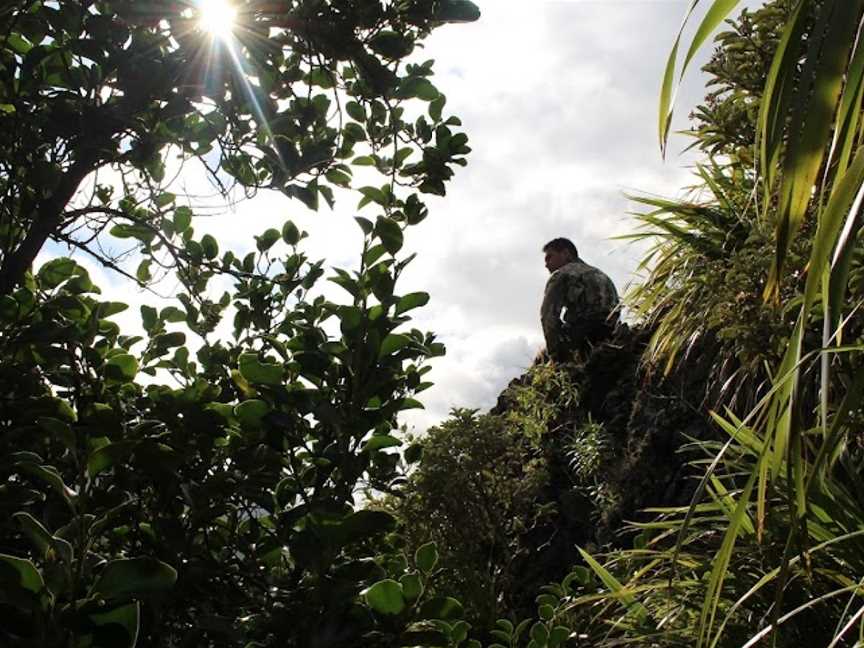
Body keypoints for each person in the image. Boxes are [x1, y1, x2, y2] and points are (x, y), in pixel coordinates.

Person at [540, 237, 619, 362]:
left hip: (583, 338)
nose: (546, 264)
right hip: (613, 335)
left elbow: (547, 316)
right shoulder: (601, 274)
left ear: (566, 254)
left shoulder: (561, 274)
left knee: (542, 358)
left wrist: (556, 357)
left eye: (550, 257)